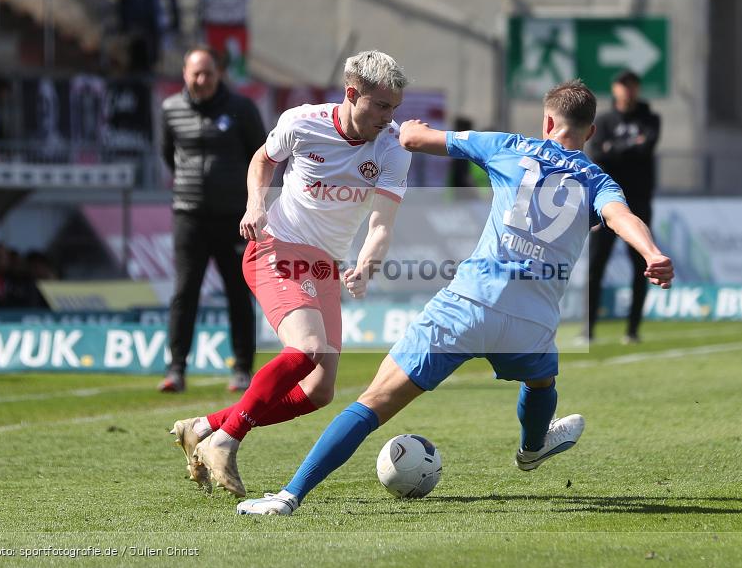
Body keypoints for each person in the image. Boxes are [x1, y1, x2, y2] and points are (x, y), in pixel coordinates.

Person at [234, 79, 675, 515]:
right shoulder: (598, 179)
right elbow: (622, 218)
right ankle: (532, 446)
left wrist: (407, 127)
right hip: (531, 321)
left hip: (468, 304)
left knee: (372, 403)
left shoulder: (507, 145)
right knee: (541, 381)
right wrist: (652, 254)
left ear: (546, 121)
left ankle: (288, 496)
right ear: (590, 132)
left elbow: (413, 137)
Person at [168, 50, 412, 497]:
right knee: (306, 350)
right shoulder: (303, 121)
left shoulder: (393, 147)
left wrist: (364, 265)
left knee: (319, 391)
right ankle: (225, 440)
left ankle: (203, 428)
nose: (389, 117)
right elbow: (263, 159)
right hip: (275, 247)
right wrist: (256, 204)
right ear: (351, 94)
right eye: (381, 106)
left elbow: (381, 225)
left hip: (323, 266)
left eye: (394, 107)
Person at [158, 45, 267, 393]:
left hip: (233, 217)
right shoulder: (170, 109)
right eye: (195, 74)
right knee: (184, 292)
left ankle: (242, 369)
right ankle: (176, 368)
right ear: (185, 75)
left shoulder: (241, 109)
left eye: (207, 73)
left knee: (238, 292)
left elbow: (261, 156)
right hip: (188, 215)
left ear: (218, 74)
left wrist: (251, 202)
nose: (201, 80)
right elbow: (167, 155)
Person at [586, 70, 661, 344]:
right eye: (623, 85)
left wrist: (614, 149)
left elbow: (646, 148)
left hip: (639, 203)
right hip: (606, 204)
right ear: (615, 88)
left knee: (641, 264)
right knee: (596, 266)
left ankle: (632, 330)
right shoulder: (604, 120)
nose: (627, 91)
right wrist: (629, 146)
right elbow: (597, 153)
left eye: (632, 86)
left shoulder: (649, 119)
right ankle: (589, 329)